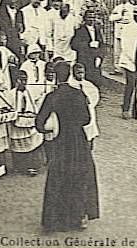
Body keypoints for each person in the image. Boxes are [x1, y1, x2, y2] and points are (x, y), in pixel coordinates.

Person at [35, 61, 100, 231]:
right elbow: (87, 119)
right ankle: (79, 217)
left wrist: (52, 125)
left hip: (60, 141)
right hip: (78, 140)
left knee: (59, 177)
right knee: (80, 175)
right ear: (70, 74)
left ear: (56, 76)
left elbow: (39, 124)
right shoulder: (77, 94)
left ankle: (55, 220)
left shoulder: (52, 96)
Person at [6, 70, 45, 176]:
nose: (23, 82)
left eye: (25, 80)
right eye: (21, 80)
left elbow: (41, 98)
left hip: (29, 121)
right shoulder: (9, 94)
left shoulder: (32, 91)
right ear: (16, 81)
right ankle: (18, 166)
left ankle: (31, 167)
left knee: (32, 143)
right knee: (17, 145)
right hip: (17, 123)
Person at [119, 4, 137, 119]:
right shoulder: (128, 28)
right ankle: (126, 109)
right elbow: (126, 46)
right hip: (129, 60)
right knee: (130, 85)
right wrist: (134, 59)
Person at [68, 63, 100, 148]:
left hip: (88, 111)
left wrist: (89, 103)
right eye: (78, 73)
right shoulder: (70, 85)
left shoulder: (89, 86)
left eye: (82, 73)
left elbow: (95, 97)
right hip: (76, 114)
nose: (81, 75)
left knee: (90, 133)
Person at [70, 9, 104, 84]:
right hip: (84, 60)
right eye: (89, 17)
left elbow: (102, 46)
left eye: (93, 18)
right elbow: (74, 45)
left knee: (96, 82)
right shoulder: (80, 31)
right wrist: (88, 45)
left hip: (95, 61)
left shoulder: (97, 30)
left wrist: (99, 57)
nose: (91, 20)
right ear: (85, 18)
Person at [109, 0, 134, 73]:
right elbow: (111, 18)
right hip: (118, 32)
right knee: (117, 51)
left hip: (127, 33)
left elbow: (130, 20)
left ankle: (125, 68)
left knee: (126, 50)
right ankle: (117, 69)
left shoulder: (132, 8)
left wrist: (121, 19)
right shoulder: (117, 8)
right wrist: (120, 16)